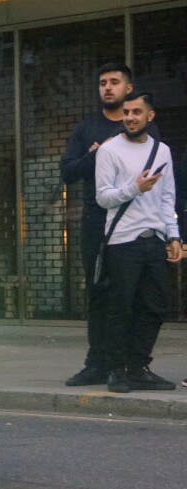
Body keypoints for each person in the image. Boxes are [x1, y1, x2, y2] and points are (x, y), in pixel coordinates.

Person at [58, 63, 159, 386]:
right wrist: (97, 155)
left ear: (129, 88)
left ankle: (132, 364)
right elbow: (68, 171)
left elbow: (160, 175)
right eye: (102, 82)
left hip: (136, 225)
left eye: (115, 82)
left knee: (138, 298)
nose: (108, 87)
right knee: (99, 294)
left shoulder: (145, 128)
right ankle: (97, 363)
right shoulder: (86, 129)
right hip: (96, 223)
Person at [94, 92, 180, 393]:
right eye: (126, 112)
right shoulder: (109, 151)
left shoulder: (162, 151)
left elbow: (167, 198)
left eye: (136, 112)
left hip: (154, 240)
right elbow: (103, 197)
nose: (130, 117)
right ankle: (116, 370)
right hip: (123, 241)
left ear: (150, 116)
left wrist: (173, 235)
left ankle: (138, 366)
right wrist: (135, 187)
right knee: (122, 307)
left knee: (156, 306)